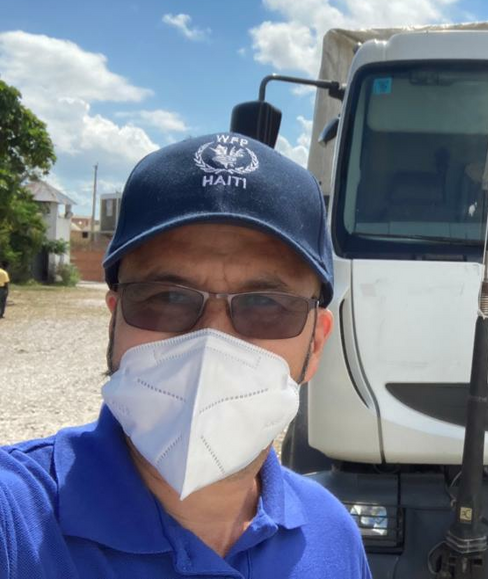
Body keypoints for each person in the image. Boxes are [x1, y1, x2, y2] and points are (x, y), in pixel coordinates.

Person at [0, 134, 372, 578]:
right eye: (167, 297)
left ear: (314, 344)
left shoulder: (330, 535)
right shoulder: (17, 520)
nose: (210, 339)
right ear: (114, 320)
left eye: (265, 305)